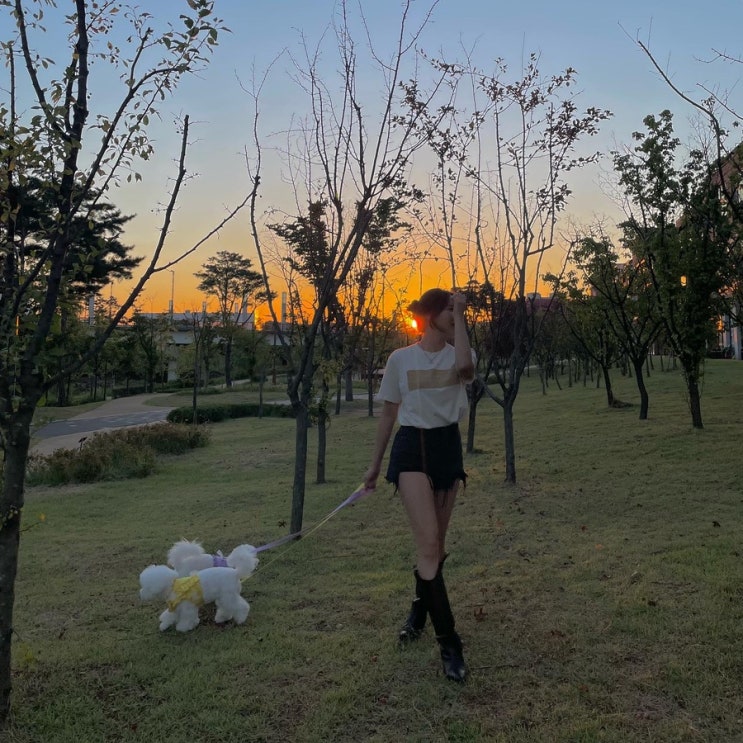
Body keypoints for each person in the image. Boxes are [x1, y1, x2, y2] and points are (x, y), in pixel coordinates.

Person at [363, 288, 475, 683]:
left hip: (446, 447)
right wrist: (375, 465)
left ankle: (418, 609)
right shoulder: (400, 359)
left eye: (456, 311)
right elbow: (388, 414)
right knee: (428, 543)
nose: (454, 315)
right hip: (411, 448)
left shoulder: (460, 352)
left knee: (436, 548)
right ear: (430, 315)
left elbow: (466, 371)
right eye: (448, 310)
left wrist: (461, 316)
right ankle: (450, 643)